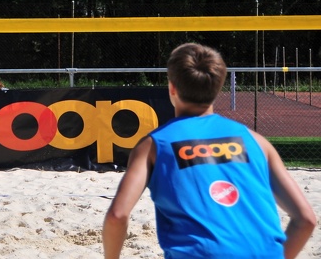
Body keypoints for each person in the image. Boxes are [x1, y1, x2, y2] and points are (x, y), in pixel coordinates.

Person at [103, 42, 316, 259]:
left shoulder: (154, 145)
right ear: (219, 88)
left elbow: (117, 216)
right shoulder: (256, 141)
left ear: (172, 88)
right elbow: (306, 219)